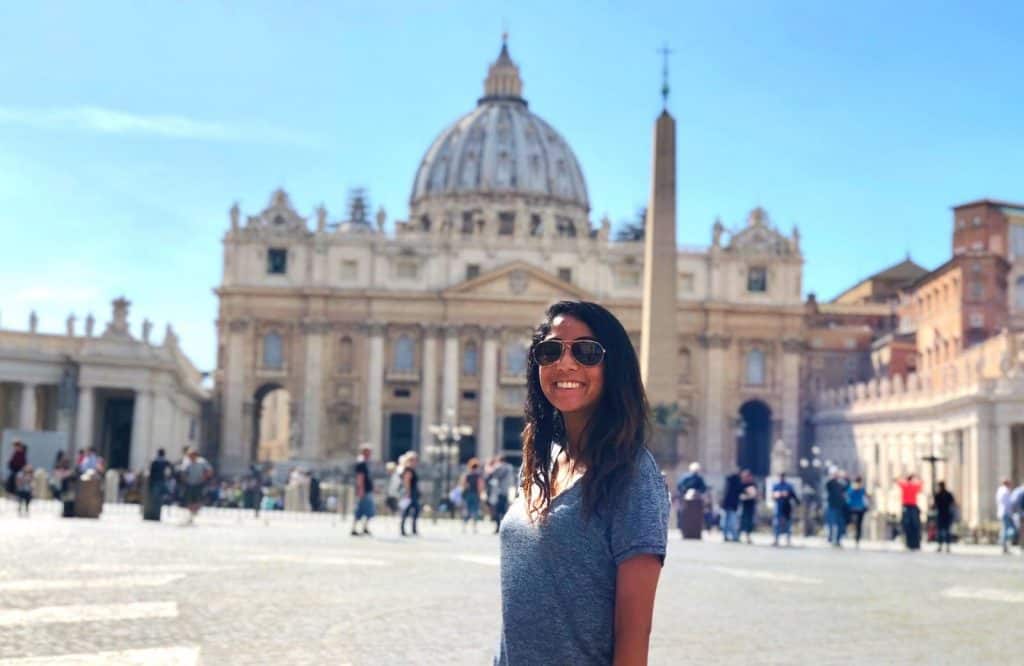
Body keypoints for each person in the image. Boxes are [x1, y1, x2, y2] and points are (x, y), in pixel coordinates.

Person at [496, 300, 669, 665]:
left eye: (587, 352)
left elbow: (633, 635)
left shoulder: (632, 473)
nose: (566, 363)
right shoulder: (541, 463)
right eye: (551, 351)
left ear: (613, 367)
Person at [179, 448, 213, 525]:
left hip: (199, 483)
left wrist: (205, 477)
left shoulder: (202, 462)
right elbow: (183, 472)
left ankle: (194, 512)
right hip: (189, 483)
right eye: (189, 456)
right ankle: (191, 513)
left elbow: (210, 471)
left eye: (192, 455)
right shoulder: (187, 462)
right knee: (188, 499)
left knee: (198, 499)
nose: (190, 457)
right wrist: (184, 480)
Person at [486, 455, 516, 534]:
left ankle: (499, 527)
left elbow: (490, 473)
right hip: (507, 491)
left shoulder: (498, 467)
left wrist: (489, 465)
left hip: (498, 492)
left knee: (498, 510)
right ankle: (504, 527)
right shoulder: (510, 468)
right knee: (504, 510)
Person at [771, 472, 800, 547]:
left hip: (787, 507)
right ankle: (776, 540)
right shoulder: (776, 486)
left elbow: (793, 495)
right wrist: (779, 495)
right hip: (778, 507)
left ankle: (788, 540)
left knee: (788, 524)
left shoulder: (789, 486)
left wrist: (797, 502)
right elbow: (773, 496)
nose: (781, 478)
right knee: (777, 524)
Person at [896, 473, 924, 550]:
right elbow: (922, 484)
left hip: (906, 507)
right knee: (914, 525)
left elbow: (897, 480)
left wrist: (903, 477)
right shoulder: (914, 486)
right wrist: (917, 477)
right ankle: (914, 543)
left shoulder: (904, 485)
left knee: (906, 525)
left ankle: (908, 543)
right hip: (913, 507)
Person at [352, 446, 375, 536]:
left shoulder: (364, 463)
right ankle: (357, 528)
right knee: (363, 510)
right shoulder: (361, 463)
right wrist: (361, 489)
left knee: (364, 510)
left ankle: (364, 527)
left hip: (366, 490)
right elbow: (360, 477)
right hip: (364, 491)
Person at [825, 468, 848, 547]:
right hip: (832, 506)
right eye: (835, 474)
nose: (837, 475)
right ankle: (830, 538)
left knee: (840, 524)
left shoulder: (841, 484)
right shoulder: (831, 483)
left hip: (840, 507)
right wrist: (833, 477)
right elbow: (828, 485)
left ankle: (838, 540)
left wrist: (845, 478)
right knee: (831, 523)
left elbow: (846, 487)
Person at [461, 457, 485, 533]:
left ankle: (464, 527)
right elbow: (480, 486)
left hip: (468, 494)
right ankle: (474, 528)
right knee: (475, 511)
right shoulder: (478, 476)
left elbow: (463, 484)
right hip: (475, 494)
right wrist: (480, 494)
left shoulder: (467, 475)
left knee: (467, 510)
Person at [400, 452, 421, 537]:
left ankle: (412, 529)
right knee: (408, 511)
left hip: (413, 493)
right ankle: (406, 529)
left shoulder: (410, 469)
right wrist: (407, 493)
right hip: (410, 493)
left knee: (412, 511)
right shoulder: (408, 469)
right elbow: (406, 481)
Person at [846, 476, 870, 548]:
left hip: (857, 509)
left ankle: (857, 538)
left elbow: (848, 497)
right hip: (856, 509)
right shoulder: (853, 489)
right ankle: (856, 536)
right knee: (856, 524)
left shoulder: (859, 489)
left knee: (858, 524)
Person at [721, 469, 743, 542]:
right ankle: (734, 536)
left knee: (725, 521)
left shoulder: (728, 482)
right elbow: (741, 490)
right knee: (732, 521)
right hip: (733, 505)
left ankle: (725, 535)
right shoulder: (737, 482)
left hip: (726, 503)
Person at [933, 481, 955, 553]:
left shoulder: (938, 495)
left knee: (941, 531)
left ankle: (941, 546)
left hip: (942, 515)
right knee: (946, 531)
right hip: (946, 514)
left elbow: (934, 505)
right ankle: (946, 546)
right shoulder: (948, 494)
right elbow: (953, 503)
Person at [996, 479, 1017, 554]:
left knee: (1005, 529)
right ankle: (1003, 542)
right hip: (1006, 513)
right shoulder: (1006, 491)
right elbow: (1008, 504)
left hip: (1002, 512)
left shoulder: (1000, 490)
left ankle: (1003, 544)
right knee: (1011, 530)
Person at [738, 470, 758, 544]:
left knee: (749, 522)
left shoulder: (753, 484)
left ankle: (748, 536)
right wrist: (748, 496)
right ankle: (738, 536)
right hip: (742, 506)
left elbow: (754, 495)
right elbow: (739, 496)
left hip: (750, 506)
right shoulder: (741, 484)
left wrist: (748, 496)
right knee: (741, 521)